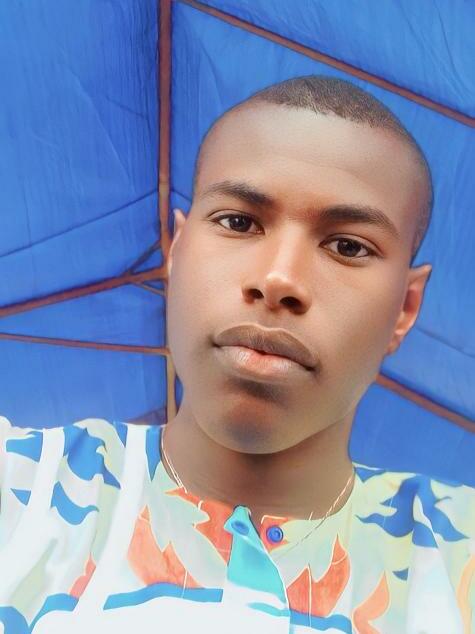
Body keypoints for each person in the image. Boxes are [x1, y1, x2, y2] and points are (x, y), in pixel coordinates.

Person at [0, 76, 473, 634]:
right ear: (176, 253)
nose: (278, 279)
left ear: (405, 309)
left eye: (348, 246)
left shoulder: (456, 555)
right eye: (238, 222)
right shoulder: (22, 491)